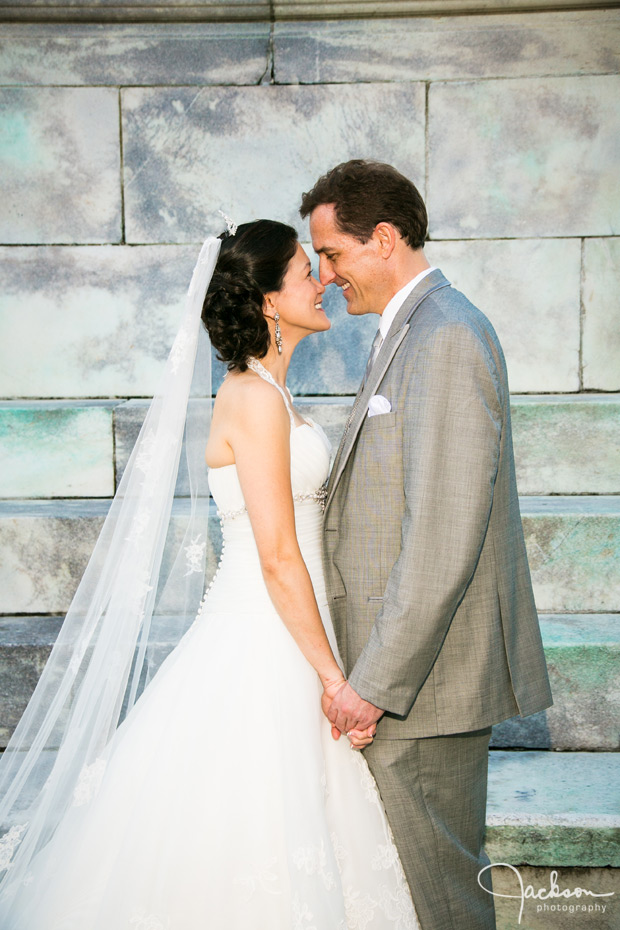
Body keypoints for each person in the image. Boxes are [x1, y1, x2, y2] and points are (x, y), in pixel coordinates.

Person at [0, 219, 419, 929]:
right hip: (267, 640)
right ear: (265, 301)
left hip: (297, 631)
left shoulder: (272, 397)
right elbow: (278, 555)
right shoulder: (252, 400)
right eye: (302, 271)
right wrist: (334, 681)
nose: (320, 280)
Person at [301, 161, 553, 930]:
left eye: (334, 254)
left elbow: (444, 533)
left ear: (383, 238)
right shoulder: (407, 329)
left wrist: (375, 683)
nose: (325, 275)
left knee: (439, 899)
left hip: (425, 687)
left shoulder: (445, 336)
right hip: (406, 679)